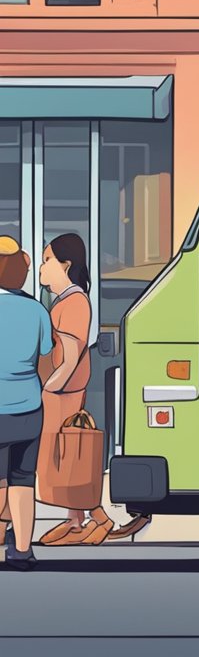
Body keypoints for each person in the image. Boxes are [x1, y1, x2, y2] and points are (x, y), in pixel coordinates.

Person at [31, 234, 120, 546]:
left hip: (61, 395)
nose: (41, 268)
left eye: (46, 260)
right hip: (59, 392)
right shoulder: (68, 301)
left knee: (66, 457)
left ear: (65, 265)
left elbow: (69, 358)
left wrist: (47, 390)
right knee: (65, 457)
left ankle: (98, 518)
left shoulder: (74, 302)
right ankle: (77, 519)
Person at [0, 236, 54, 570]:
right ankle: (22, 550)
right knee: (22, 480)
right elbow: (46, 362)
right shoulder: (37, 310)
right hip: (29, 407)